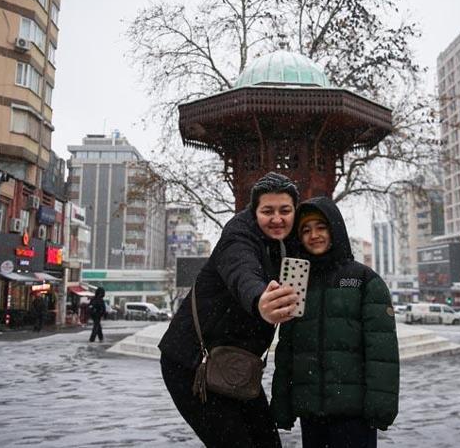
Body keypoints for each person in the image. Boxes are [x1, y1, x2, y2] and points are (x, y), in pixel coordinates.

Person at [158, 172, 300, 448]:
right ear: (253, 211)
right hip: (192, 364)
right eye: (267, 211)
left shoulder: (285, 244)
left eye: (285, 210)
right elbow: (242, 271)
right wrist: (260, 299)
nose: (277, 219)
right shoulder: (238, 234)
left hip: (236, 365)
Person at [271, 197, 399, 448]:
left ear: (335, 229)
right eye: (305, 230)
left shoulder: (364, 281)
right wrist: (282, 405)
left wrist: (380, 406)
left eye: (321, 227)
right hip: (312, 413)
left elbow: (381, 352)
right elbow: (288, 349)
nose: (314, 235)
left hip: (353, 414)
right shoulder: (297, 283)